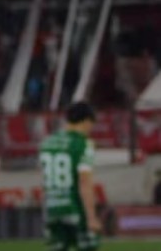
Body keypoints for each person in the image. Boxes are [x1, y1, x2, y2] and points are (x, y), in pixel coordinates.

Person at [39, 101, 101, 251]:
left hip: (52, 210)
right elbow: (84, 181)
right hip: (75, 209)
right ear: (86, 120)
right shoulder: (83, 144)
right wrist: (91, 217)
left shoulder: (47, 143)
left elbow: (44, 181)